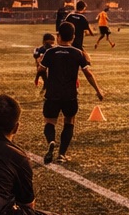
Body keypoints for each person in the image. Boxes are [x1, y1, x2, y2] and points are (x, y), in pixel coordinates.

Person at [38, 21, 105, 164]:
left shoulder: (50, 52)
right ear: (73, 37)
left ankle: (51, 141)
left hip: (52, 95)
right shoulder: (78, 53)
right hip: (70, 95)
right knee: (69, 121)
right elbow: (88, 73)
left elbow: (41, 69)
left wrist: (39, 76)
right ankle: (61, 154)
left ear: (58, 36)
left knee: (50, 121)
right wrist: (98, 90)